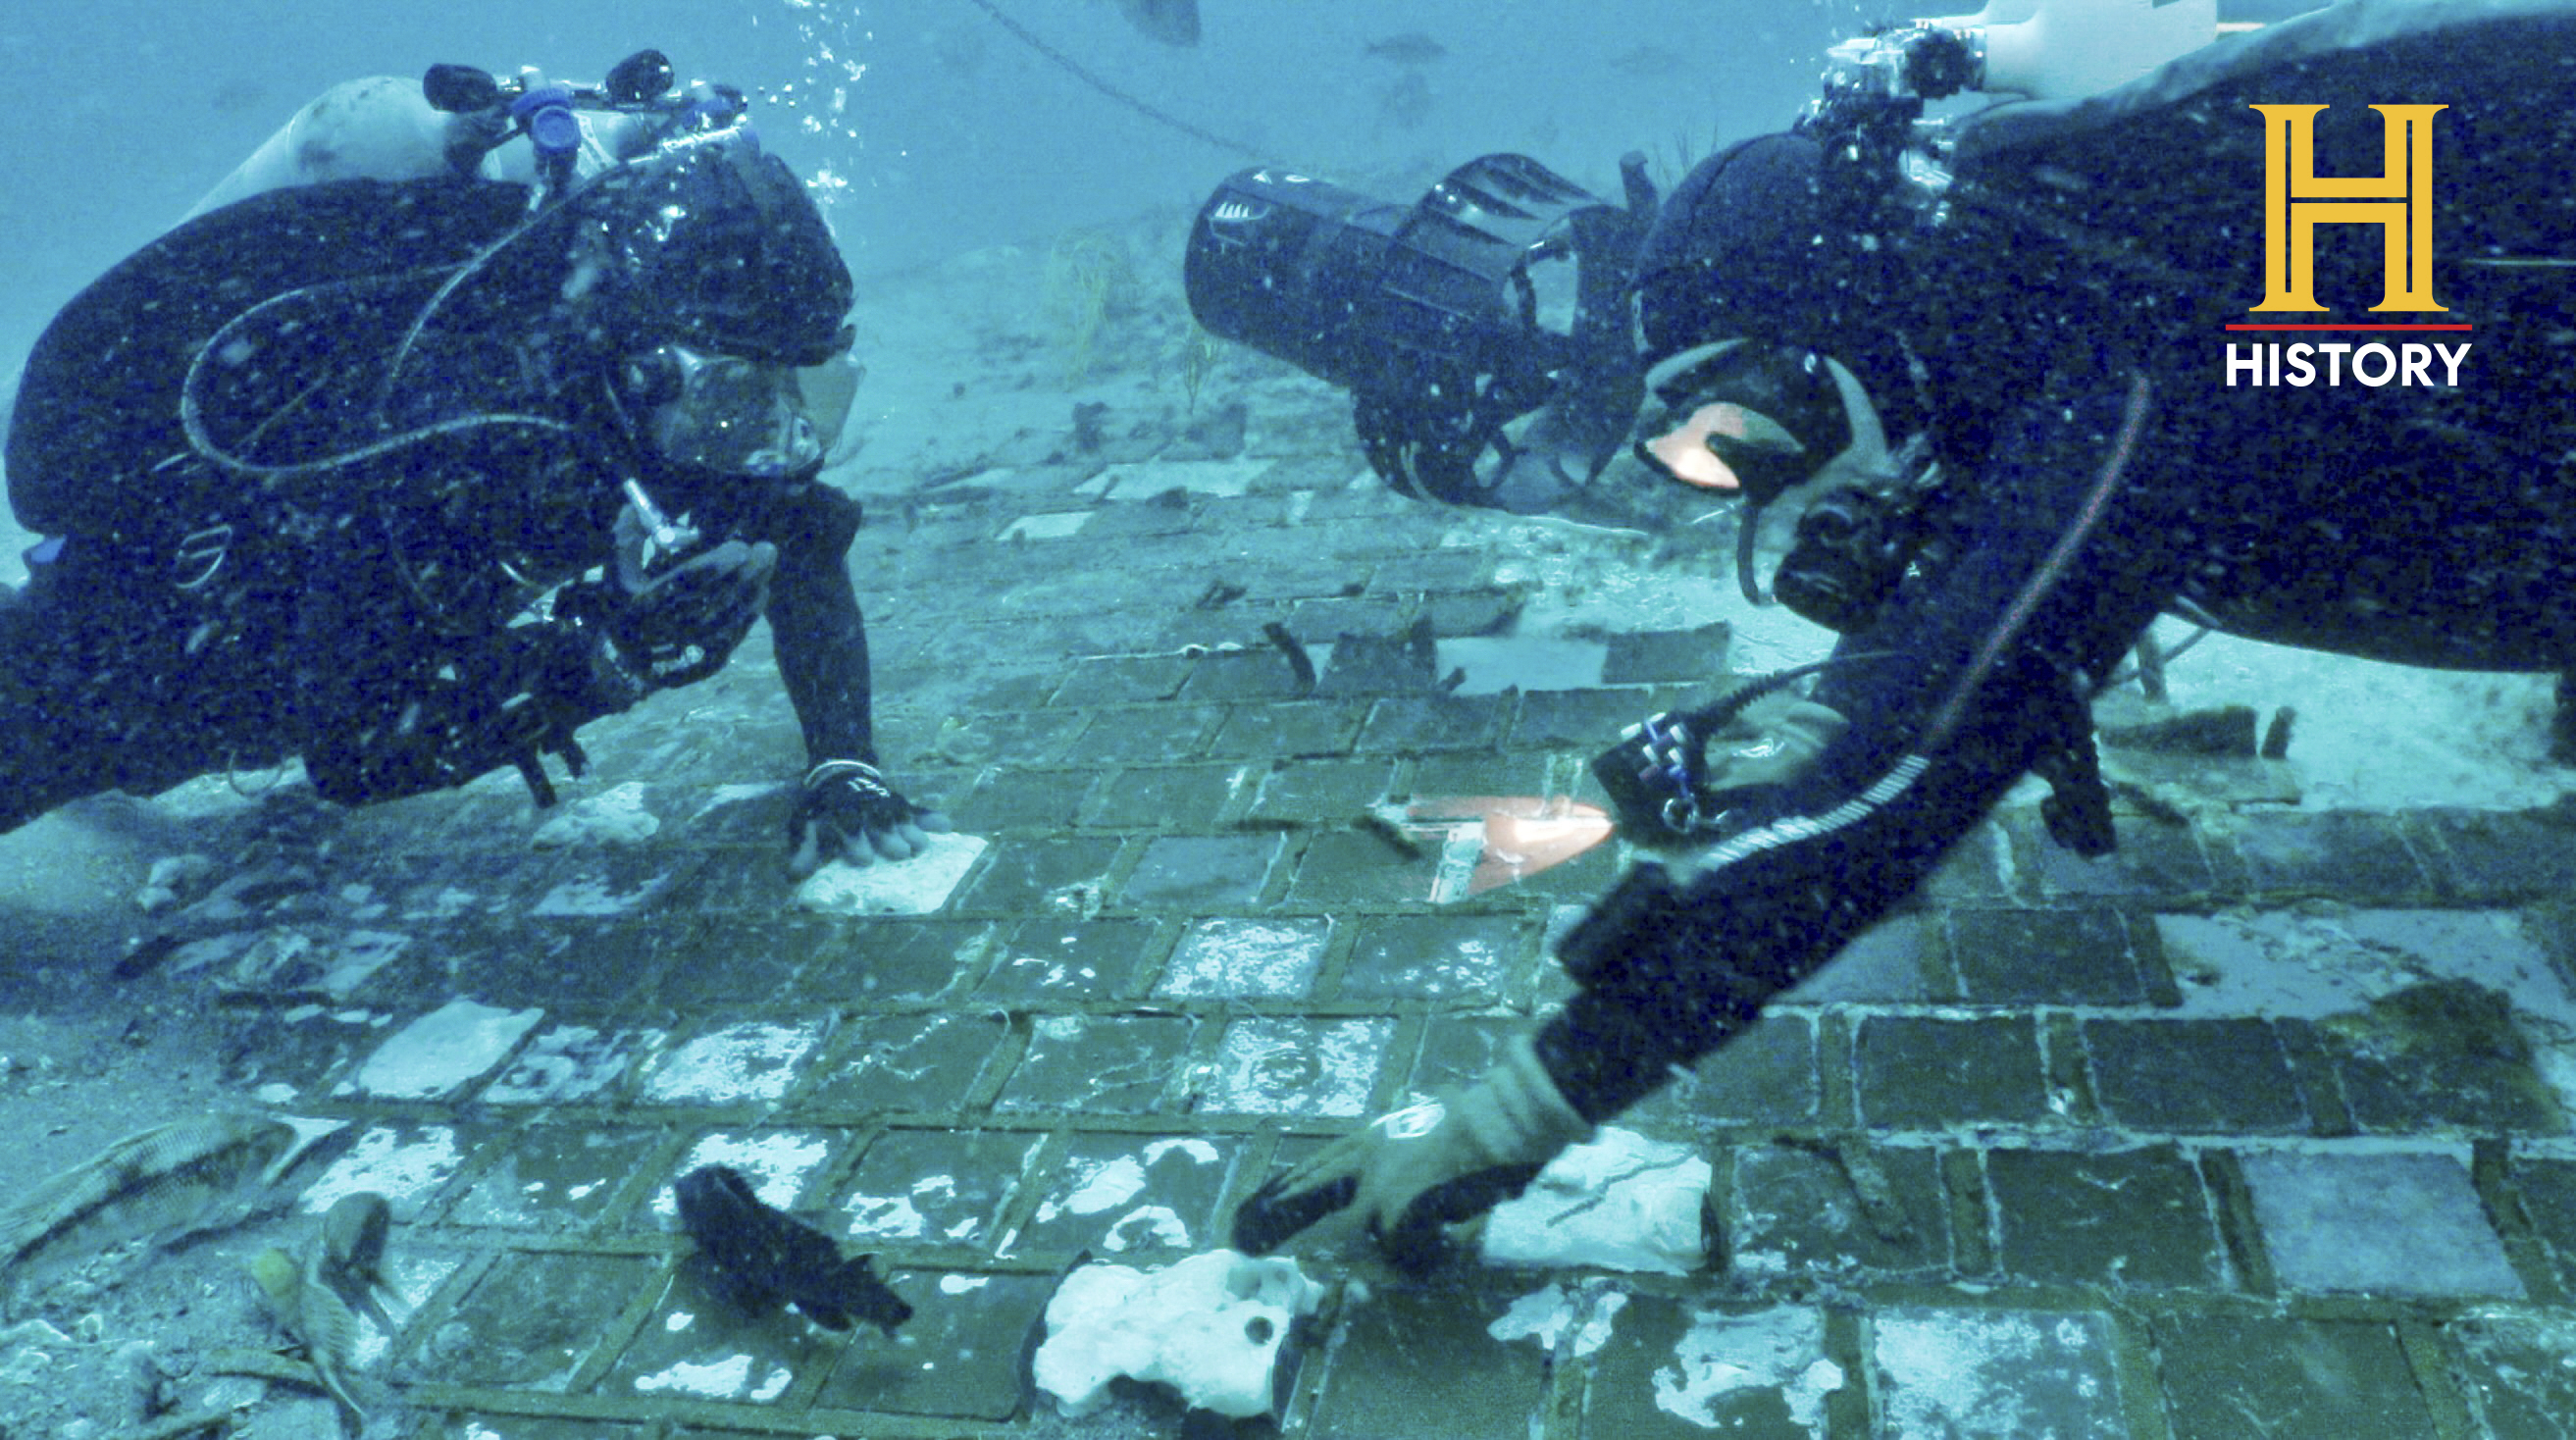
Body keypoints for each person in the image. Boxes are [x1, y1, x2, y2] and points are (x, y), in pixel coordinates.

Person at [1230, 0, 2576, 1270]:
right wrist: (1800, 724)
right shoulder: (2023, 320)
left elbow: (1900, 787)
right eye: (1705, 464)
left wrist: (1515, 1110)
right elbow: (1936, 648)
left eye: (1739, 429)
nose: (1758, 479)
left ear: (1837, 328)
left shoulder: (2119, 373)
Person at [0, 55, 945, 876]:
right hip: (153, 651)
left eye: (807, 391)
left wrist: (844, 765)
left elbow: (805, 543)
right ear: (646, 363)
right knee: (65, 736)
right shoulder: (455, 425)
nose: (774, 435)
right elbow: (354, 751)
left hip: (308, 648)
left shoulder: (668, 391)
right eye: (739, 392)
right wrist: (608, 662)